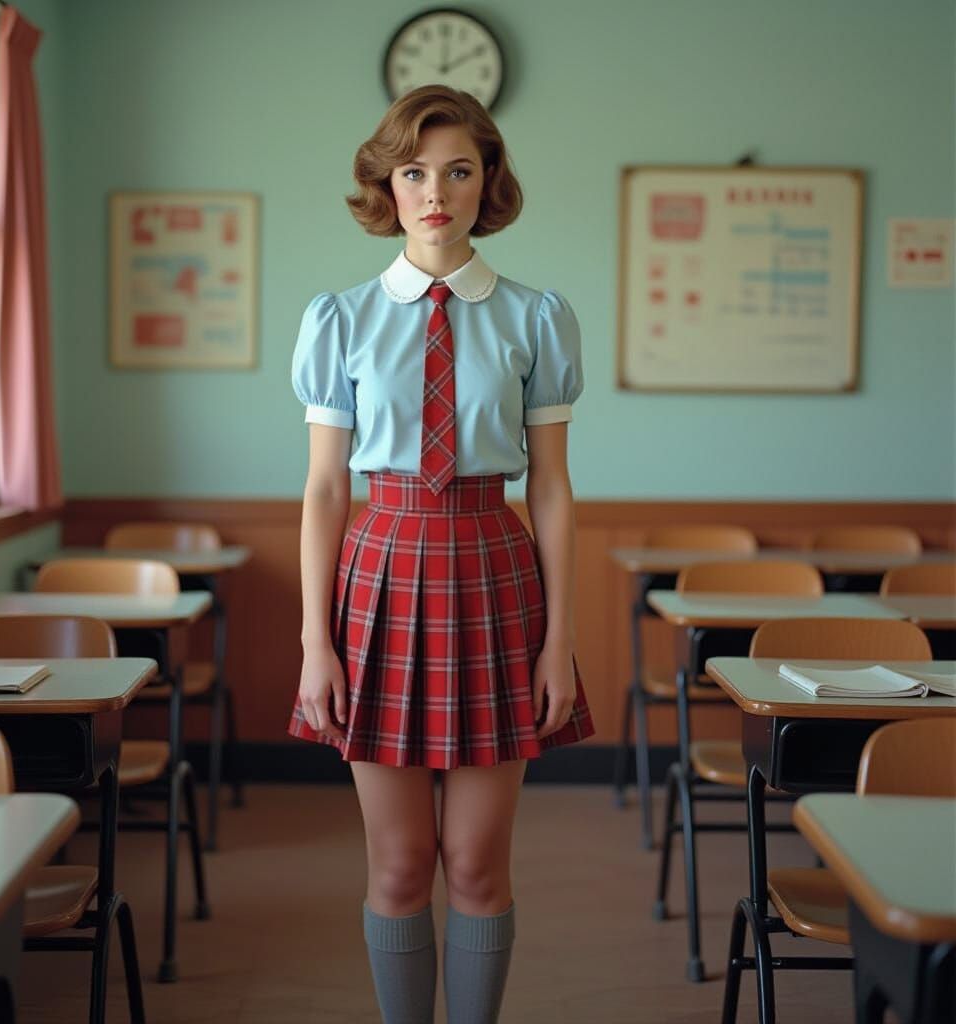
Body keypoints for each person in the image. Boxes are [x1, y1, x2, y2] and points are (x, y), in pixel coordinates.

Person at [287, 83, 595, 1024]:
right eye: (415, 172)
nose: (435, 193)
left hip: (495, 572)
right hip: (377, 575)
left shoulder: (536, 316)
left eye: (458, 171)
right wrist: (315, 642)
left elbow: (551, 488)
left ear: (486, 182)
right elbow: (326, 489)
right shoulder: (340, 319)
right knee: (399, 862)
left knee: (475, 863)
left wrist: (558, 643)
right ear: (388, 184)